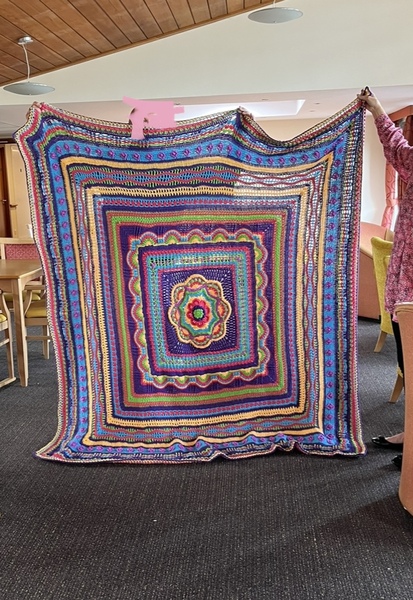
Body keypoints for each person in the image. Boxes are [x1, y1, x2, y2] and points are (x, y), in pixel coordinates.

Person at [357, 88, 413, 470]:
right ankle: (409, 435)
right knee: (408, 365)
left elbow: (398, 149)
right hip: (405, 290)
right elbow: (397, 149)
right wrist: (377, 109)